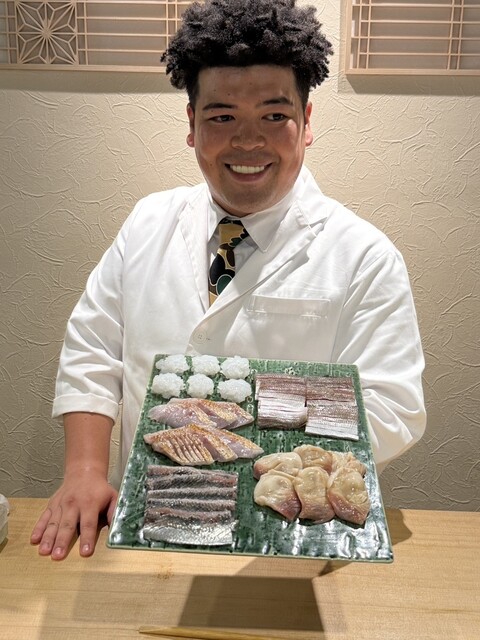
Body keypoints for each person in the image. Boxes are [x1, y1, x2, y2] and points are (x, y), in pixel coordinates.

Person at [31, 0, 426, 560]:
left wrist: (260, 448)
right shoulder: (147, 222)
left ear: (307, 123)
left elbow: (392, 405)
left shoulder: (364, 256)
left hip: (284, 537)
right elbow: (93, 350)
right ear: (192, 126)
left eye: (273, 115)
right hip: (148, 522)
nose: (247, 141)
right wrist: (85, 471)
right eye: (221, 117)